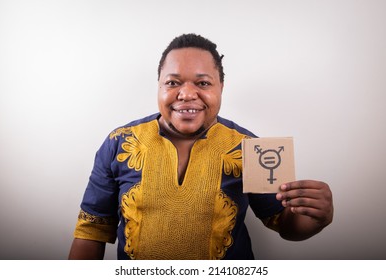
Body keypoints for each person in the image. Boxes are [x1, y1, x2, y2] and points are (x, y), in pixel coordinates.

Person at [68, 33, 333, 260]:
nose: (186, 94)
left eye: (203, 83)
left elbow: (283, 223)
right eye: (172, 82)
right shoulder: (120, 143)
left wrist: (315, 217)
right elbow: (91, 232)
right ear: (159, 86)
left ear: (221, 87)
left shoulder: (251, 148)